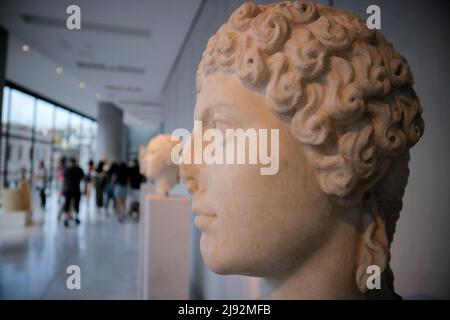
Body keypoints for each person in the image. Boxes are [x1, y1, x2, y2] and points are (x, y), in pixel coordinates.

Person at [62, 158, 84, 227]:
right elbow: (83, 179)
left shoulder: (67, 170)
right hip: (75, 190)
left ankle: (68, 218)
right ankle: (71, 217)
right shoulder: (79, 170)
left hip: (69, 190)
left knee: (68, 204)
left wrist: (63, 189)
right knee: (74, 204)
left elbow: (64, 181)